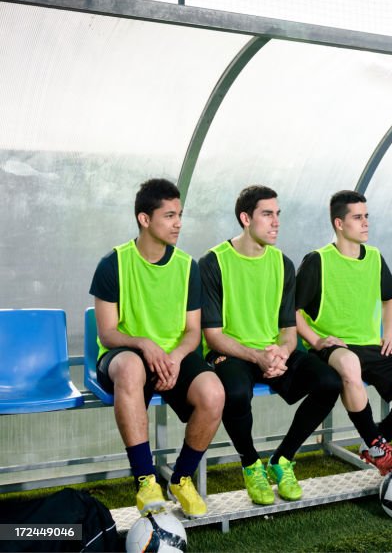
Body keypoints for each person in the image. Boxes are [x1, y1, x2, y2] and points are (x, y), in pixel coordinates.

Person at [89, 178, 224, 518]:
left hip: (172, 357)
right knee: (132, 366)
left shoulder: (187, 266)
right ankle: (146, 480)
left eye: (180, 215)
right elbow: (106, 334)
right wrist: (143, 344)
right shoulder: (113, 263)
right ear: (144, 219)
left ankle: (180, 479)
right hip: (124, 355)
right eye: (169, 216)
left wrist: (176, 358)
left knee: (213, 391)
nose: (178, 223)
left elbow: (193, 332)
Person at [201, 185, 342, 505]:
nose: (276, 221)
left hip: (273, 352)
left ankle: (282, 460)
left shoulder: (283, 264)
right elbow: (213, 335)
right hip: (231, 352)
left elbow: (288, 331)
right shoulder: (213, 262)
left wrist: (282, 353)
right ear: (245, 218)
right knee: (234, 392)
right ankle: (251, 464)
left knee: (329, 381)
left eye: (278, 214)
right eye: (267, 214)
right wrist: (257, 356)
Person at [295, 190, 392, 475]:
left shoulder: (375, 257)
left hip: (372, 346)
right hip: (334, 348)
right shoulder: (317, 260)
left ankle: (376, 441)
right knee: (350, 363)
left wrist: (388, 334)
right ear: (340, 224)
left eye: (367, 217)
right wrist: (316, 340)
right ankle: (375, 444)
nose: (365, 223)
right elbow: (292, 312)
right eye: (357, 217)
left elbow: (389, 299)